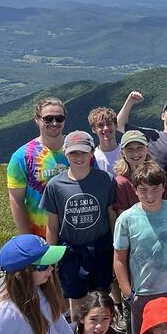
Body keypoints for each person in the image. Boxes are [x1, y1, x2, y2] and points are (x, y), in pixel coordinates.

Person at [113, 161, 167, 334]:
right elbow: (119, 259)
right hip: (144, 293)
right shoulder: (126, 219)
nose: (150, 196)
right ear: (135, 190)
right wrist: (127, 292)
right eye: (143, 190)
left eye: (155, 189)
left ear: (163, 188)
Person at [40, 131, 116, 314]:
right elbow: (52, 224)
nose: (79, 157)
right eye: (74, 153)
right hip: (71, 250)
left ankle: (102, 333)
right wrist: (51, 258)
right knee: (76, 297)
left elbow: (111, 215)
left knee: (101, 295)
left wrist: (116, 248)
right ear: (66, 154)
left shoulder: (106, 180)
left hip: (100, 247)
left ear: (92, 152)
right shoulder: (55, 185)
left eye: (83, 152)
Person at [7, 97, 69, 238]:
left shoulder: (80, 150)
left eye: (59, 118)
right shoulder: (21, 157)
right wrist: (27, 239)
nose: (54, 123)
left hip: (78, 237)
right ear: (37, 119)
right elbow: (16, 200)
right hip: (39, 237)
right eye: (48, 119)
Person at [116, 91, 167, 173]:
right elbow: (119, 125)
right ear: (163, 116)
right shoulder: (153, 136)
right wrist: (130, 102)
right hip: (155, 184)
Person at [112, 130, 155, 215]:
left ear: (147, 149)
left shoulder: (156, 176)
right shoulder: (121, 183)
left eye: (140, 148)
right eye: (130, 149)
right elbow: (122, 215)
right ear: (122, 152)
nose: (135, 153)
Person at [89, 107, 121, 176]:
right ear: (94, 129)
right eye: (100, 125)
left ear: (116, 125)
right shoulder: (92, 158)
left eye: (109, 124)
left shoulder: (126, 152)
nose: (106, 128)